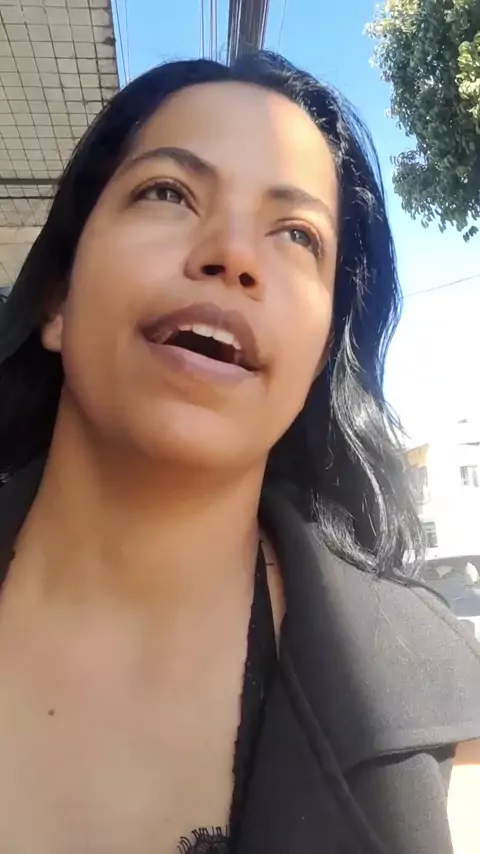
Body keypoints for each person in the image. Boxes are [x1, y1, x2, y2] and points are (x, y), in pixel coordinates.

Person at [0, 52, 478, 854]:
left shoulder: (447, 727)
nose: (233, 254)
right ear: (57, 296)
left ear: (319, 356)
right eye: (168, 192)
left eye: (296, 235)